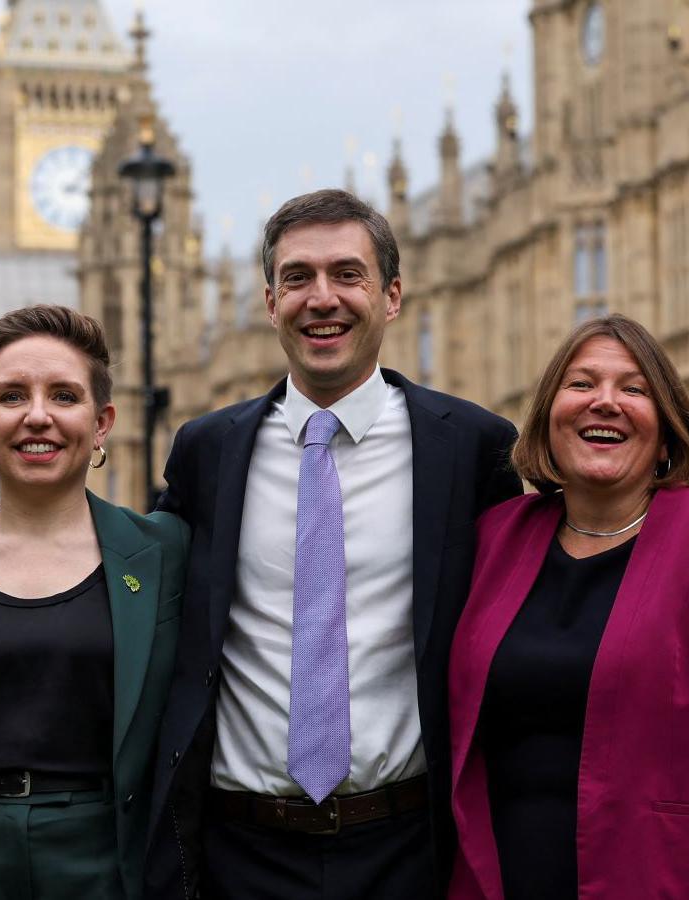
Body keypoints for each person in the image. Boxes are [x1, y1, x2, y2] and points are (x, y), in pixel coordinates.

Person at [146, 189, 522, 900]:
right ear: (269, 301)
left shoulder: (473, 448)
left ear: (392, 296)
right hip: (241, 851)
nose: (322, 298)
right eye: (298, 278)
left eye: (348, 275)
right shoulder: (206, 452)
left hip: (407, 848)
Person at [447, 314, 689, 898]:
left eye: (634, 389)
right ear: (547, 418)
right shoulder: (492, 539)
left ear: (667, 431)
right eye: (582, 383)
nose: (605, 402)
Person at [0, 305, 188, 900]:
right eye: (12, 396)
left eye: (63, 395)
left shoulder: (165, 553)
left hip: (112, 862)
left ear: (103, 421)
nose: (38, 417)